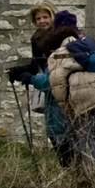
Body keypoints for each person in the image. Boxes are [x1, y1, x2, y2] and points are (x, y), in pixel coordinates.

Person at [44, 11, 95, 168]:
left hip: (86, 98)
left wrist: (67, 110)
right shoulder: (91, 44)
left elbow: (58, 85)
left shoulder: (60, 53)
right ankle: (94, 172)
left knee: (88, 137)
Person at [15, 8, 77, 164]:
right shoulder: (37, 40)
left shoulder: (62, 44)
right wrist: (21, 72)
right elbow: (38, 66)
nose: (42, 21)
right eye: (38, 18)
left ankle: (75, 175)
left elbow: (54, 78)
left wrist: (31, 79)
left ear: (53, 18)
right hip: (53, 99)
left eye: (45, 17)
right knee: (59, 140)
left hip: (62, 99)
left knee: (65, 143)